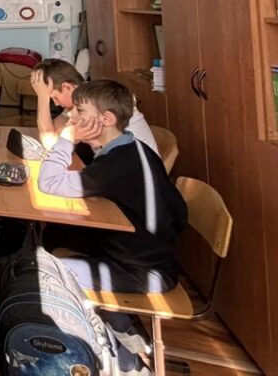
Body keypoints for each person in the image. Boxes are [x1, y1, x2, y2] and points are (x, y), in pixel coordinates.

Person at [38, 79, 187, 294]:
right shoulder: (136, 147)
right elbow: (179, 212)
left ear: (107, 119)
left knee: (42, 269)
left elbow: (49, 182)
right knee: (55, 233)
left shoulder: (116, 164)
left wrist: (67, 139)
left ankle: (104, 317)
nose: (72, 117)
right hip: (143, 254)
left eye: (80, 111)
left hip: (141, 270)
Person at [30, 58, 159, 155]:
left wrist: (42, 97)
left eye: (54, 98)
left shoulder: (91, 105)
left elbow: (50, 145)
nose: (56, 103)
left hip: (136, 172)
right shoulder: (86, 96)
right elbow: (52, 131)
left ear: (67, 87)